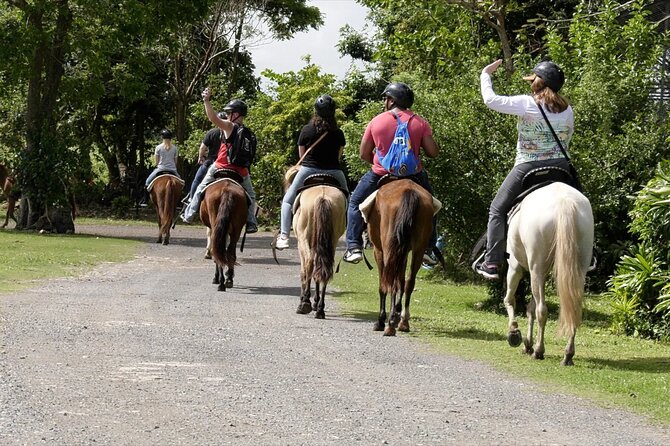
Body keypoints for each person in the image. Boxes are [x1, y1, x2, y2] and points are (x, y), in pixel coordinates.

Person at [475, 59, 573, 280]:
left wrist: (485, 74)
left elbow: (490, 100)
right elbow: (568, 138)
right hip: (561, 167)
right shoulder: (568, 110)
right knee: (582, 203)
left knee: (497, 210)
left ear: (537, 82)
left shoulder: (527, 103)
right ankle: (591, 254)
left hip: (527, 166)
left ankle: (491, 262)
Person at [343, 82, 439, 265]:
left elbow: (364, 153)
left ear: (393, 100)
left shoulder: (376, 121)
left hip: (381, 174)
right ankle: (429, 248)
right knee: (433, 206)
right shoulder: (420, 122)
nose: (385, 101)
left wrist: (381, 165)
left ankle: (354, 247)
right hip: (414, 176)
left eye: (387, 98)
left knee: (355, 203)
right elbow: (433, 152)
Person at [275, 94, 348, 250]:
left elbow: (302, 155)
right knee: (349, 200)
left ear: (316, 111)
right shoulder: (339, 133)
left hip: (308, 170)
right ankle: (350, 236)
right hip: (334, 171)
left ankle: (284, 236)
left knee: (288, 200)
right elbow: (338, 157)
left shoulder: (307, 130)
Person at [180, 88, 258, 233]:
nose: (227, 115)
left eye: (229, 113)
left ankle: (189, 214)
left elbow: (213, 118)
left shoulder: (229, 126)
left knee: (199, 189)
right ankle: (251, 222)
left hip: (220, 166)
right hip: (241, 171)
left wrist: (206, 101)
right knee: (251, 196)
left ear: (235, 114)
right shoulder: (249, 133)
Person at [185, 112, 228, 202]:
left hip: (211, 162)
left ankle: (191, 200)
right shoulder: (231, 133)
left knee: (197, 180)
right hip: (227, 164)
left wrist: (201, 157)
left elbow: (202, 147)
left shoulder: (212, 132)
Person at [140, 128, 180, 206]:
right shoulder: (175, 148)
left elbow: (157, 162)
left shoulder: (158, 147)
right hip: (172, 170)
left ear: (162, 137)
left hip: (160, 169)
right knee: (181, 183)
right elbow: (175, 162)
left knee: (147, 182)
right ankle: (179, 202)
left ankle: (145, 200)